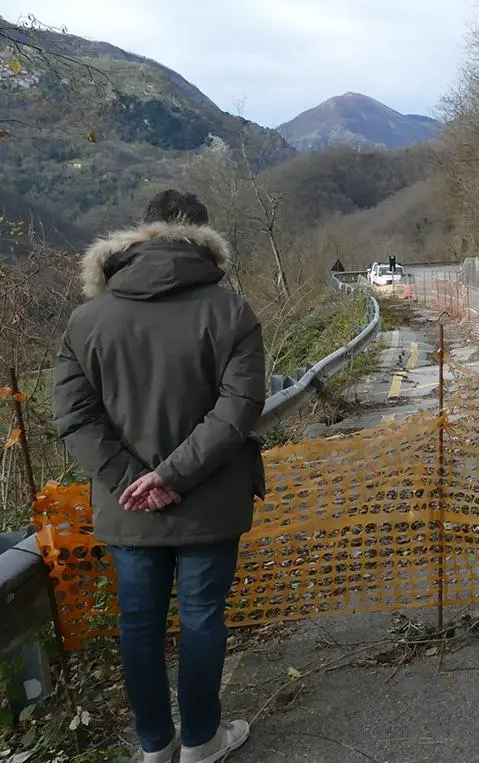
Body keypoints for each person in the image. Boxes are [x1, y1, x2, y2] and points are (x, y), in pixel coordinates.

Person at [52, 190, 266, 763]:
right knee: (201, 620)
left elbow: (74, 415)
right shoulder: (231, 311)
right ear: (203, 238)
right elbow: (240, 406)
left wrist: (133, 479)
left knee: (139, 627)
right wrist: (174, 474)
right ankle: (201, 742)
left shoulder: (87, 319)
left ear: (140, 233)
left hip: (128, 508)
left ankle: (154, 748)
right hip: (211, 499)